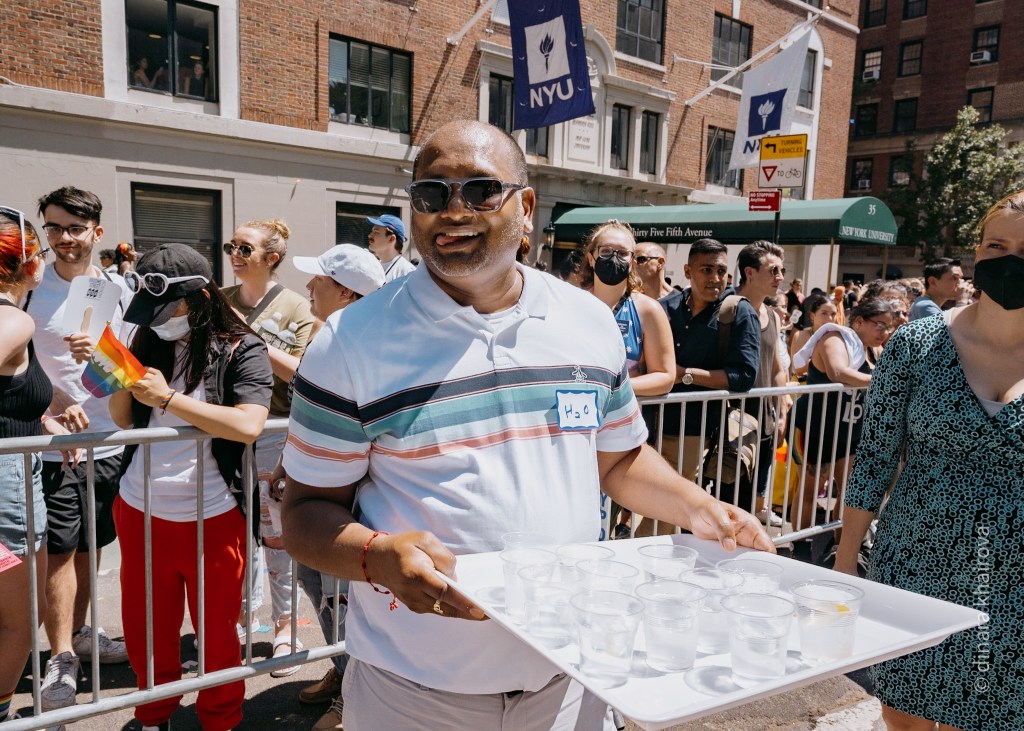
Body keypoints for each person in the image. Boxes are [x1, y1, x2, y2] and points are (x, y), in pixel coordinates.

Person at [280, 120, 772, 731]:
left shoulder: (587, 322)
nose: (453, 210)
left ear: (527, 207)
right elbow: (304, 514)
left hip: (569, 680)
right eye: (432, 193)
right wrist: (378, 556)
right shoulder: (347, 342)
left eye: (481, 190)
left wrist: (701, 508)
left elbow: (618, 458)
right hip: (414, 694)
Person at [835, 190, 1024, 731]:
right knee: (905, 714)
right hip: (916, 564)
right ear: (977, 253)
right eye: (997, 245)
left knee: (988, 716)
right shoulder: (917, 344)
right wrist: (846, 565)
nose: (1010, 260)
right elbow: (874, 459)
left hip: (1013, 578)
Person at [110, 243, 272, 731]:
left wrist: (168, 399)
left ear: (199, 299)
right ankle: (153, 715)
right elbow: (123, 419)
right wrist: (115, 371)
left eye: (167, 310)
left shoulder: (243, 347)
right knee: (146, 629)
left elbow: (249, 425)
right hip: (140, 509)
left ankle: (220, 719)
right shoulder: (145, 339)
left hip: (214, 516)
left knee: (218, 634)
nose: (157, 322)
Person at [265, 244, 385, 731]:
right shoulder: (328, 338)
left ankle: (355, 692)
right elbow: (311, 418)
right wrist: (286, 463)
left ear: (347, 292)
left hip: (345, 500)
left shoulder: (366, 345)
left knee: (344, 596)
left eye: (320, 279)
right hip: (315, 489)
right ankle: (342, 670)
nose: (309, 286)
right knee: (317, 585)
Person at [29, 187, 132, 712]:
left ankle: (80, 633)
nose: (64, 238)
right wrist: (51, 402)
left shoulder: (120, 289)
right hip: (54, 446)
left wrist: (103, 355)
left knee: (94, 545)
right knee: (61, 551)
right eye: (54, 227)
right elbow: (16, 362)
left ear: (97, 232)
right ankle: (62, 656)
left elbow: (133, 364)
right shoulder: (30, 288)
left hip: (112, 439)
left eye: (74, 228)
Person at [221, 218, 315, 671]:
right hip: (226, 430)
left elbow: (301, 372)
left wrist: (246, 333)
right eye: (232, 247)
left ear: (271, 258)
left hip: (276, 430)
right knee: (234, 533)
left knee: (277, 535)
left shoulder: (296, 306)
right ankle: (241, 618)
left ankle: (286, 627)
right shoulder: (220, 299)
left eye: (246, 248)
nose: (235, 255)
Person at [0, 208, 81, 724]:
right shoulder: (14, 318)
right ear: (30, 264)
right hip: (6, 486)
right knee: (18, 619)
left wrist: (39, 418)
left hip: (15, 471)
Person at [577, 221, 675, 538]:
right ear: (591, 257)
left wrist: (613, 388)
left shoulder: (647, 310)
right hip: (575, 432)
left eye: (622, 253)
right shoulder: (570, 304)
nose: (614, 258)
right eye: (607, 251)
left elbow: (665, 375)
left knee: (609, 526)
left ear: (632, 262)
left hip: (621, 438)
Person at [659, 239, 760, 482]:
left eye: (721, 271)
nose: (715, 278)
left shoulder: (739, 312)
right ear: (687, 271)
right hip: (647, 423)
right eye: (706, 270)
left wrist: (685, 374)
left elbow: (744, 376)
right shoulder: (664, 308)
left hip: (696, 431)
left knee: (674, 500)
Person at [790, 296, 894, 530]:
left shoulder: (873, 350)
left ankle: (840, 545)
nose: (885, 332)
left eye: (888, 327)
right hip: (815, 429)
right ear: (859, 321)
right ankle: (800, 544)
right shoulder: (835, 338)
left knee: (848, 492)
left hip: (849, 432)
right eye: (880, 325)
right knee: (810, 491)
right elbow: (838, 372)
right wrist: (884, 380)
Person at [735, 241, 788, 526]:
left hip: (764, 419)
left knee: (753, 495)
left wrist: (781, 412)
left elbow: (778, 367)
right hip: (733, 421)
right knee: (730, 496)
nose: (780, 277)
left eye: (782, 271)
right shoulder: (729, 308)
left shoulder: (773, 316)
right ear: (750, 272)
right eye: (773, 270)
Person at [788, 293, 838, 380]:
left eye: (833, 314)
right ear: (812, 315)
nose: (830, 318)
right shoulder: (800, 336)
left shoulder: (838, 337)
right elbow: (798, 368)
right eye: (824, 313)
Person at [366, 214, 415, 282]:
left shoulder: (407, 273)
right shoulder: (373, 267)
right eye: (372, 231)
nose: (369, 235)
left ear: (391, 239)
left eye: (376, 232)